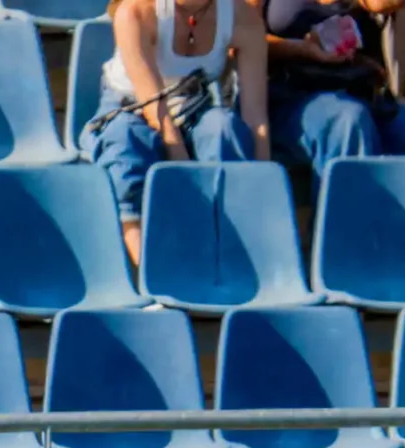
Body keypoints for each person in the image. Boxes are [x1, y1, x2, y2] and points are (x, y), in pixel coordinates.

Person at [82, 0, 275, 266]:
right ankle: (153, 273)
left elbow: (255, 117)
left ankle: (224, 253)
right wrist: (183, 170)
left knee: (223, 129)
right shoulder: (136, 12)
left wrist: (262, 181)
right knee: (124, 142)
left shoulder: (242, 17)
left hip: (194, 103)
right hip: (133, 104)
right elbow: (153, 104)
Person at [265, 0, 405, 176]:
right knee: (347, 120)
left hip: (356, 87)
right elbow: (243, 36)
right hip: (288, 94)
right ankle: (349, 206)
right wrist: (303, 49)